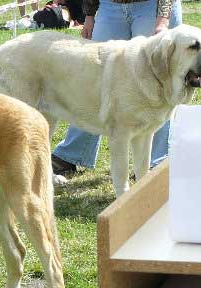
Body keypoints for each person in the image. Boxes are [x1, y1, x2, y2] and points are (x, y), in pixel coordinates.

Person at [50, 0, 182, 176]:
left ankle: (155, 163)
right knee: (94, 78)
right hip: (109, 6)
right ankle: (73, 153)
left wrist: (163, 20)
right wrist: (89, 16)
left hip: (153, 7)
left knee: (157, 81)